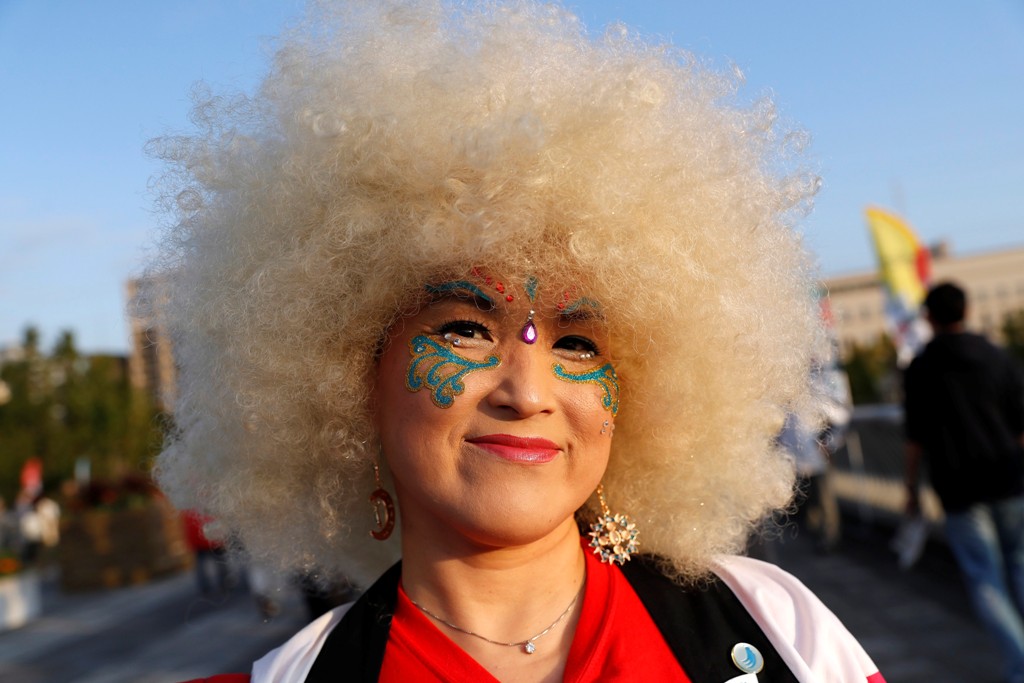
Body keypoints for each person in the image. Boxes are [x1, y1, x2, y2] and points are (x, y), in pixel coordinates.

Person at [149, 1, 884, 681]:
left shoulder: (775, 630)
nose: (527, 391)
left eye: (580, 345)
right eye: (465, 330)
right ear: (348, 374)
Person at [904, 281, 1024, 683]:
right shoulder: (995, 356)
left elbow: (915, 440)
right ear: (968, 309)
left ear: (929, 317)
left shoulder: (921, 367)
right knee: (1021, 569)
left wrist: (911, 491)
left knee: (985, 581)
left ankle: (1020, 665)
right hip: (1009, 480)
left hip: (959, 490)